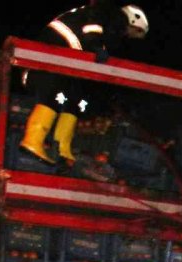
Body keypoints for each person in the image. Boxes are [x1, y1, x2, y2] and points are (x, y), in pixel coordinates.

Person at [19, 1, 149, 167]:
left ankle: (62, 148)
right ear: (133, 20)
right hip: (52, 52)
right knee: (53, 94)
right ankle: (32, 140)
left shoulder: (105, 27)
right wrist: (95, 45)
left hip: (59, 59)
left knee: (74, 100)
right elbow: (93, 25)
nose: (129, 35)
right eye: (135, 31)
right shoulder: (111, 15)